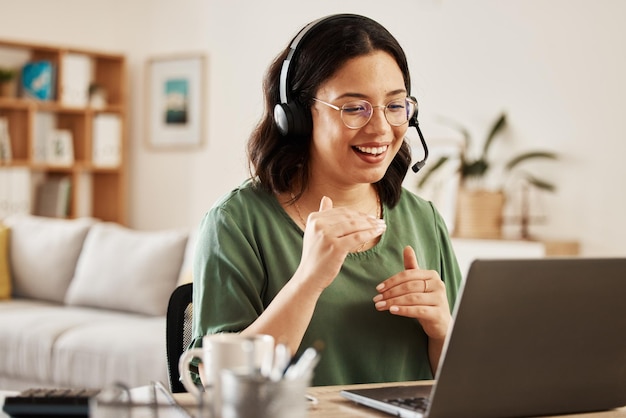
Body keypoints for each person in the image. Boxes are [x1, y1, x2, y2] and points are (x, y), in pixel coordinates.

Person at [191, 13, 462, 386]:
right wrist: (308, 281)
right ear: (298, 116)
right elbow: (216, 383)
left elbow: (469, 385)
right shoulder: (237, 223)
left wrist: (442, 331)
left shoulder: (424, 219)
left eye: (395, 106)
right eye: (354, 108)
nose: (381, 128)